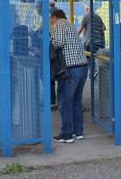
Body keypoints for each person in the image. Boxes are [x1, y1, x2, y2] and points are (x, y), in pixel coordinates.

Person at [50, 9, 88, 143]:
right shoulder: (70, 25)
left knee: (64, 101)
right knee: (76, 101)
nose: (51, 23)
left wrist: (49, 39)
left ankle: (66, 134)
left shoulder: (59, 24)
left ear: (55, 17)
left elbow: (58, 43)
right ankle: (78, 132)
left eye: (51, 20)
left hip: (71, 70)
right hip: (83, 67)